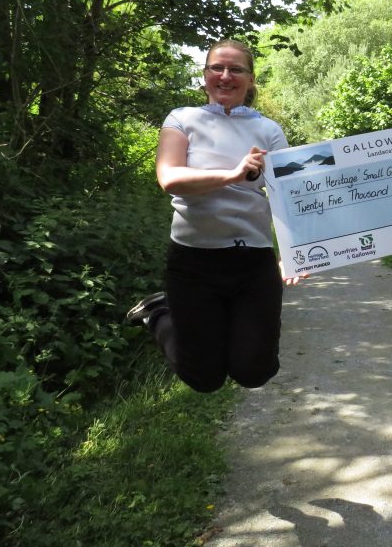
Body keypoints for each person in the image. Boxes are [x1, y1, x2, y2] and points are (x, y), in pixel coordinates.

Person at [126, 38, 299, 392]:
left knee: (255, 371)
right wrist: (233, 174)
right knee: (203, 378)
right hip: (193, 263)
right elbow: (170, 178)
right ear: (204, 75)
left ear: (251, 80)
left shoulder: (268, 130)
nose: (225, 76)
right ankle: (157, 313)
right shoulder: (182, 119)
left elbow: (293, 196)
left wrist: (297, 254)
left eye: (236, 69)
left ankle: (181, 320)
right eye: (216, 68)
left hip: (253, 263)